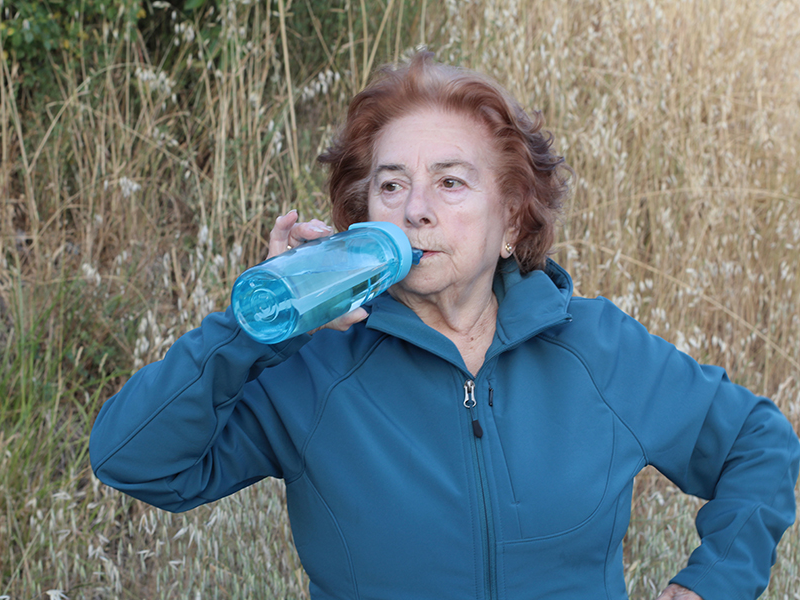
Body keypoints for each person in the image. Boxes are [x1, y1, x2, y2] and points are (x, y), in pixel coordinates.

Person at [89, 51, 800, 600]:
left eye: (451, 182)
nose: (415, 209)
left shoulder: (595, 348)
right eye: (391, 185)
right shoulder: (312, 369)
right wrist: (262, 323)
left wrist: (710, 583)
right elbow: (133, 460)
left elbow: (757, 441)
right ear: (365, 217)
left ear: (512, 219)